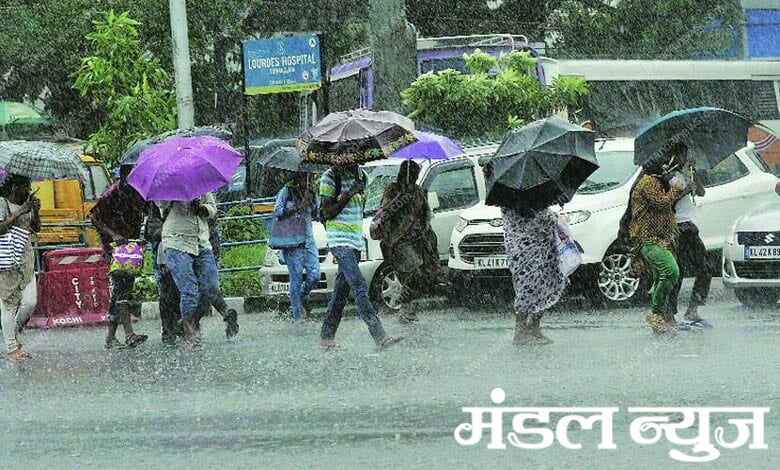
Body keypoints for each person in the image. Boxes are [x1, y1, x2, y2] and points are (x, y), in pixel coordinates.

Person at [318, 164, 403, 351]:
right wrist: (349, 193)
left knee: (340, 291)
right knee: (358, 284)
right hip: (339, 241)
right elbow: (327, 212)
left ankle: (326, 338)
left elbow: (359, 209)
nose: (353, 156)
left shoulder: (362, 175)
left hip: (356, 241)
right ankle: (380, 336)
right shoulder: (330, 177)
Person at [158, 192, 238, 349]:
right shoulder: (168, 186)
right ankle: (188, 328)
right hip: (176, 242)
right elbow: (161, 205)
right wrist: (178, 197)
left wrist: (200, 207)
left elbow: (212, 210)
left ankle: (190, 321)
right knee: (189, 290)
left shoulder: (202, 187)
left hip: (201, 241)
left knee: (211, 287)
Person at [628, 151, 694, 334]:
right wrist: (679, 188)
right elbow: (662, 203)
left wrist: (687, 174)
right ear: (661, 170)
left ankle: (660, 319)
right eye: (670, 171)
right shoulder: (649, 183)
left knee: (661, 278)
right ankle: (655, 313)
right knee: (671, 271)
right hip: (650, 239)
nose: (672, 174)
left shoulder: (658, 182)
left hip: (664, 238)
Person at [89, 165, 149, 349]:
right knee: (122, 288)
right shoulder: (110, 194)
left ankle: (110, 337)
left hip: (132, 246)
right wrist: (112, 234)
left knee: (122, 290)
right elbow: (93, 216)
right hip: (114, 248)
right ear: (123, 175)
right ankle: (129, 334)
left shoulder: (139, 193)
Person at [377, 160, 440, 324]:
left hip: (417, 239)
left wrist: (425, 230)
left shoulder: (419, 192)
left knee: (421, 274)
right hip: (399, 240)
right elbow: (384, 211)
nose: (415, 178)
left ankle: (407, 307)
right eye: (413, 174)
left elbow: (426, 213)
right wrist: (400, 198)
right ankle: (405, 306)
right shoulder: (392, 190)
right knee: (413, 270)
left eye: (416, 175)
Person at [666, 143, 713, 329]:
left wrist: (694, 176)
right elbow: (664, 202)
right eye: (682, 155)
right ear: (673, 155)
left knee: (706, 267)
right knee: (676, 272)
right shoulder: (665, 176)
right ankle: (670, 315)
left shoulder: (685, 173)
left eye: (686, 155)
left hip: (689, 226)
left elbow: (701, 192)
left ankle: (693, 309)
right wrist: (685, 190)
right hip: (675, 228)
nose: (685, 159)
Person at [0, 173, 40, 360]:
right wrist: (20, 211)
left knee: (30, 302)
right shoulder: (2, 202)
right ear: (15, 187)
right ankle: (11, 348)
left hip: (26, 258)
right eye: (26, 187)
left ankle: (13, 333)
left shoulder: (28, 204)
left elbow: (36, 228)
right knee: (8, 304)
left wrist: (35, 211)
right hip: (7, 260)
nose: (29, 191)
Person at [273, 172, 320, 322]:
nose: (307, 180)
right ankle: (297, 315)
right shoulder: (286, 192)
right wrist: (298, 206)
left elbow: (318, 214)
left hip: (309, 241)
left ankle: (300, 296)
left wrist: (310, 203)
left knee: (315, 276)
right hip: (292, 243)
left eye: (309, 178)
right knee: (296, 278)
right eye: (304, 177)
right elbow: (278, 212)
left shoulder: (311, 194)